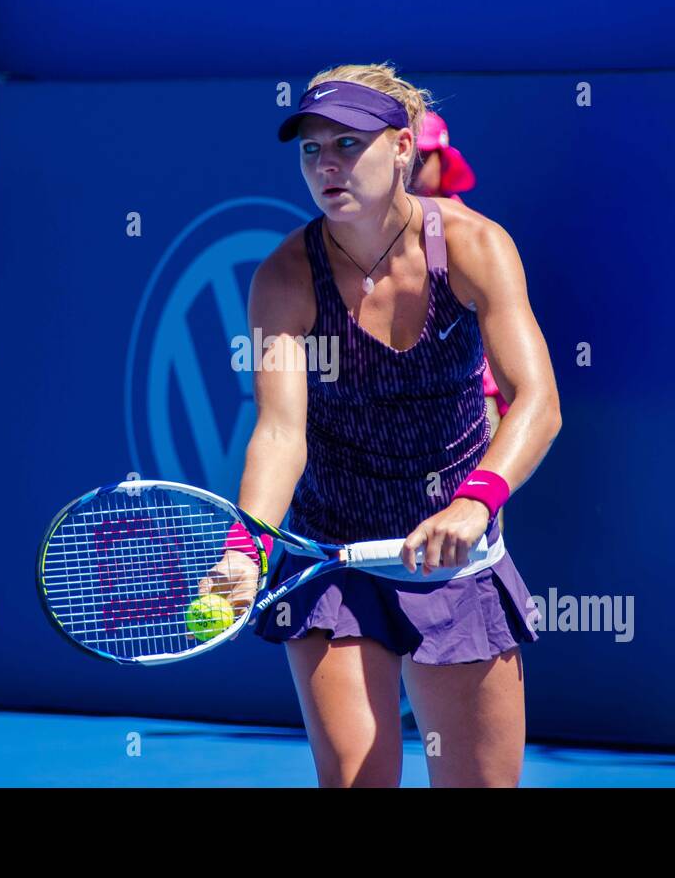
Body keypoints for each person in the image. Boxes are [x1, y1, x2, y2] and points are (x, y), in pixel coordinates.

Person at [209, 63, 561, 787]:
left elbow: (538, 401)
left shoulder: (473, 246)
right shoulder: (284, 279)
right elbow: (280, 433)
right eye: (311, 148)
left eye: (348, 143)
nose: (326, 164)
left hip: (455, 551)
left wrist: (475, 499)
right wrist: (246, 548)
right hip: (332, 554)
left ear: (402, 147)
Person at [410, 110, 508, 439]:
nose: (411, 168)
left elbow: (499, 328)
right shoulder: (364, 235)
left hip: (470, 406)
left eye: (421, 157)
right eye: (405, 156)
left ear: (443, 161)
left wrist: (506, 405)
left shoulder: (472, 235)